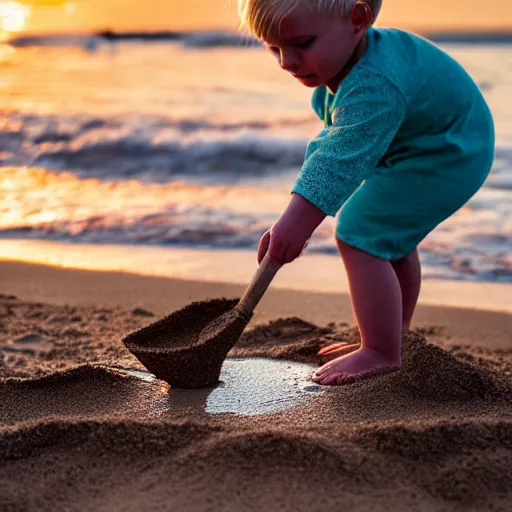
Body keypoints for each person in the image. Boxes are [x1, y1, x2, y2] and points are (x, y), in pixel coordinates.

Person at [237, 0, 495, 385]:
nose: (286, 62)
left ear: (358, 20)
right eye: (273, 47)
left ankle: (380, 351)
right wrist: (297, 215)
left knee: (360, 232)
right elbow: (334, 142)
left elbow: (339, 159)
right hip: (433, 145)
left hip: (448, 154)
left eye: (302, 43)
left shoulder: (374, 81)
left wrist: (297, 221)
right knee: (387, 236)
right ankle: (394, 335)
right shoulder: (350, 65)